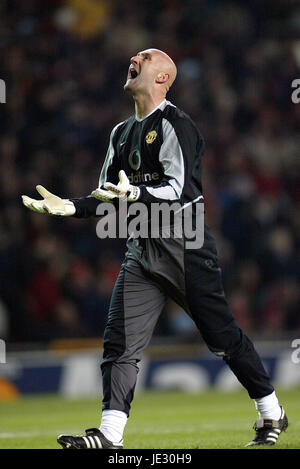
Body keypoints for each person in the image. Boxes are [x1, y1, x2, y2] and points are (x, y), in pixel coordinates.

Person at [22, 48, 288, 449]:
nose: (135, 58)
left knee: (222, 338)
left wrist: (136, 191)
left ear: (163, 78)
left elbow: (177, 190)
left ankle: (272, 413)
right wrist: (71, 206)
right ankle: (109, 436)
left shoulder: (178, 125)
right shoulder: (120, 132)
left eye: (145, 57)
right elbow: (108, 194)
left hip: (186, 247)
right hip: (142, 248)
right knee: (120, 343)